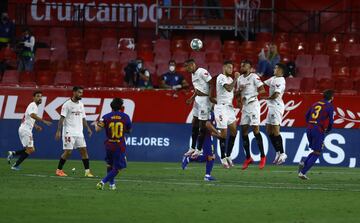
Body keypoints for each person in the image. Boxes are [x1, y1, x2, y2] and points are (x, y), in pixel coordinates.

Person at [55, 86, 94, 177]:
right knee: (68, 151)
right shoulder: (67, 104)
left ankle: (87, 172)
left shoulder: (81, 104)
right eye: (79, 92)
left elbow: (83, 118)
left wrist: (87, 128)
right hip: (69, 131)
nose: (81, 94)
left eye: (81, 92)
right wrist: (58, 131)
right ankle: (59, 170)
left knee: (84, 151)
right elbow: (61, 119)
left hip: (79, 132)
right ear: (74, 92)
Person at [7, 91, 51, 170]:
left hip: (25, 129)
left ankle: (13, 153)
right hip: (25, 130)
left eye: (41, 96)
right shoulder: (33, 105)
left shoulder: (34, 106)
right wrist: (43, 121)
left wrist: (36, 126)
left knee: (30, 149)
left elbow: (28, 118)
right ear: (33, 98)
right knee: (30, 149)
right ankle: (15, 165)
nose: (40, 98)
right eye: (37, 96)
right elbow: (32, 115)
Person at [95, 98, 132, 190]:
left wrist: (96, 123)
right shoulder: (125, 116)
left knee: (109, 165)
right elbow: (129, 130)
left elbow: (97, 130)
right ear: (121, 107)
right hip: (119, 145)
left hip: (109, 144)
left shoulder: (106, 116)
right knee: (119, 167)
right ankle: (102, 182)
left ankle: (112, 185)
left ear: (111, 107)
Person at [236, 60, 266, 170]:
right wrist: (239, 98)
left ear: (249, 67)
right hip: (245, 107)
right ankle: (248, 157)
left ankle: (262, 156)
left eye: (244, 65)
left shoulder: (254, 77)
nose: (242, 66)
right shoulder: (239, 79)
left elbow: (262, 90)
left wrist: (251, 95)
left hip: (253, 104)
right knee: (243, 131)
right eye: (241, 65)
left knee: (255, 130)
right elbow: (237, 94)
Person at [298, 90, 335, 180]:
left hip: (309, 128)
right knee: (317, 152)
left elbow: (306, 115)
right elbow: (331, 121)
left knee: (315, 151)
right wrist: (328, 129)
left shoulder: (315, 104)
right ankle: (302, 172)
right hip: (318, 130)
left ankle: (304, 163)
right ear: (332, 97)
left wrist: (311, 124)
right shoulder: (329, 106)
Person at [184, 59, 213, 159]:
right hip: (197, 100)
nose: (186, 69)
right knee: (194, 123)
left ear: (192, 65)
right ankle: (192, 147)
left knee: (202, 125)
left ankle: (199, 149)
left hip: (205, 101)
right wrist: (191, 98)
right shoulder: (193, 74)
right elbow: (197, 90)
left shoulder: (202, 72)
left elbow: (212, 83)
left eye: (187, 66)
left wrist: (210, 97)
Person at [214, 60, 239, 168]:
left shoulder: (230, 79)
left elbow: (231, 93)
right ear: (224, 67)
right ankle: (223, 157)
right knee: (224, 133)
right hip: (221, 108)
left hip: (229, 107)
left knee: (234, 131)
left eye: (232, 68)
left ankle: (228, 155)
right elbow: (228, 88)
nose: (231, 69)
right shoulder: (221, 77)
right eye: (229, 67)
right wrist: (236, 79)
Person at [181, 112, 218, 181]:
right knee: (210, 157)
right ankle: (207, 176)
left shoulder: (212, 113)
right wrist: (218, 134)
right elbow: (207, 127)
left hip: (208, 137)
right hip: (205, 137)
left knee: (210, 157)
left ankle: (188, 159)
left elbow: (209, 130)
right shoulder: (209, 113)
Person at [263, 63, 287, 165]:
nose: (274, 69)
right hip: (271, 107)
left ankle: (282, 153)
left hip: (276, 107)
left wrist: (267, 98)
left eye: (276, 68)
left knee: (276, 130)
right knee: (268, 130)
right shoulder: (273, 78)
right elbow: (263, 83)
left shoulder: (280, 80)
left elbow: (276, 94)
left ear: (281, 71)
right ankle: (278, 152)